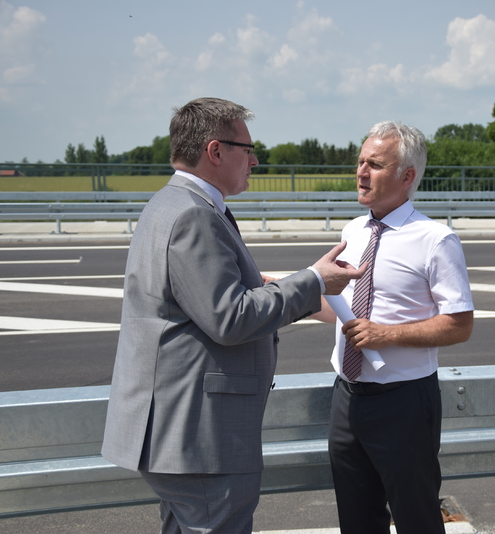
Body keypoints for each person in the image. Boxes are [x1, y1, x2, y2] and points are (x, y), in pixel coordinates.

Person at [101, 97, 365, 534]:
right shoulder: (194, 216)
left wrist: (304, 298)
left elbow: (210, 300)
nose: (255, 160)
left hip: (175, 433)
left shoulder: (167, 204)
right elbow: (230, 317)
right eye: (246, 148)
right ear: (215, 151)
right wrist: (313, 280)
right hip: (202, 438)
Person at [318, 121, 474, 534]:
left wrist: (386, 335)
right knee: (357, 520)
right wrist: (282, 293)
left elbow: (459, 325)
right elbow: (347, 312)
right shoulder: (353, 231)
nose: (361, 172)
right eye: (360, 161)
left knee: (416, 519)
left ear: (406, 177)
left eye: (375, 164)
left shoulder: (435, 240)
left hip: (403, 402)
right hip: (347, 398)